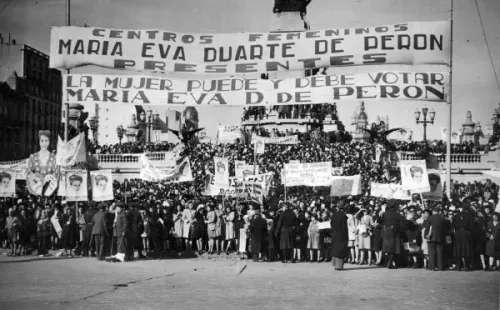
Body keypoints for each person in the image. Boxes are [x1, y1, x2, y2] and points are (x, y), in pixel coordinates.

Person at [26, 130, 58, 196]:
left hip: (49, 189)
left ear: (49, 142)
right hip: (36, 188)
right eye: (42, 141)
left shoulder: (54, 157)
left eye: (46, 141)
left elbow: (56, 173)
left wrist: (49, 180)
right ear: (39, 142)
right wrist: (37, 179)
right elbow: (28, 172)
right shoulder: (33, 157)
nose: (44, 143)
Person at [452, 204, 474, 271]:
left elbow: (453, 225)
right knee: (466, 249)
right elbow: (472, 227)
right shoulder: (469, 216)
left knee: (458, 249)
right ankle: (467, 266)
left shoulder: (456, 215)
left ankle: (458, 266)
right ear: (467, 209)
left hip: (458, 233)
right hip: (465, 233)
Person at [382, 200, 402, 269]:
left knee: (388, 248)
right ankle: (390, 263)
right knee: (393, 248)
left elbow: (383, 221)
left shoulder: (386, 213)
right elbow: (401, 222)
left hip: (386, 231)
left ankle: (390, 262)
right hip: (393, 231)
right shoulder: (396, 214)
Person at [330, 203, 349, 271]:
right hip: (342, 235)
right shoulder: (343, 216)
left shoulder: (333, 215)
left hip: (335, 234)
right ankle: (339, 266)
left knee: (335, 249)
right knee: (341, 250)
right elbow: (344, 227)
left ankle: (335, 265)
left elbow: (331, 225)